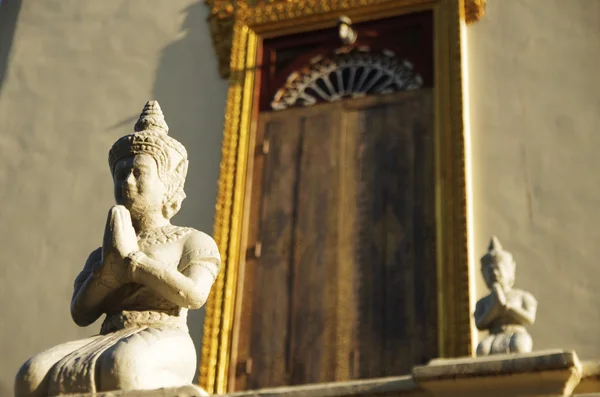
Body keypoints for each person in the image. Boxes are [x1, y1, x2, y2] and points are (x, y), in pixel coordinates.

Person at [15, 101, 220, 396]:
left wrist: (136, 264)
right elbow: (81, 313)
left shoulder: (190, 240)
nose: (127, 181)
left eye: (138, 173)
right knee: (32, 375)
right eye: (120, 174)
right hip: (111, 334)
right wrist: (108, 271)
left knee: (122, 368)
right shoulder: (101, 253)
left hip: (166, 335)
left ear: (168, 184)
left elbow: (195, 295)